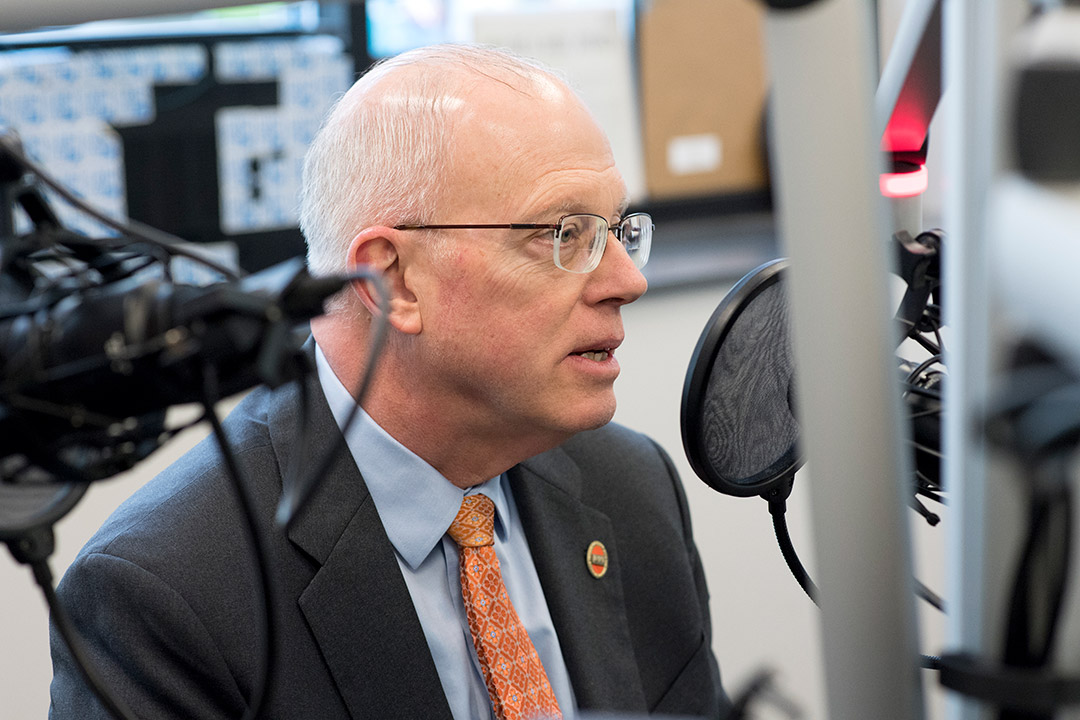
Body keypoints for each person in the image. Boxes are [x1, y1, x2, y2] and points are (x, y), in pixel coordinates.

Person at [49, 43, 730, 719]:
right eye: (565, 234)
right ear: (392, 278)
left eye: (618, 230)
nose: (627, 281)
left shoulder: (632, 487)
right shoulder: (165, 593)